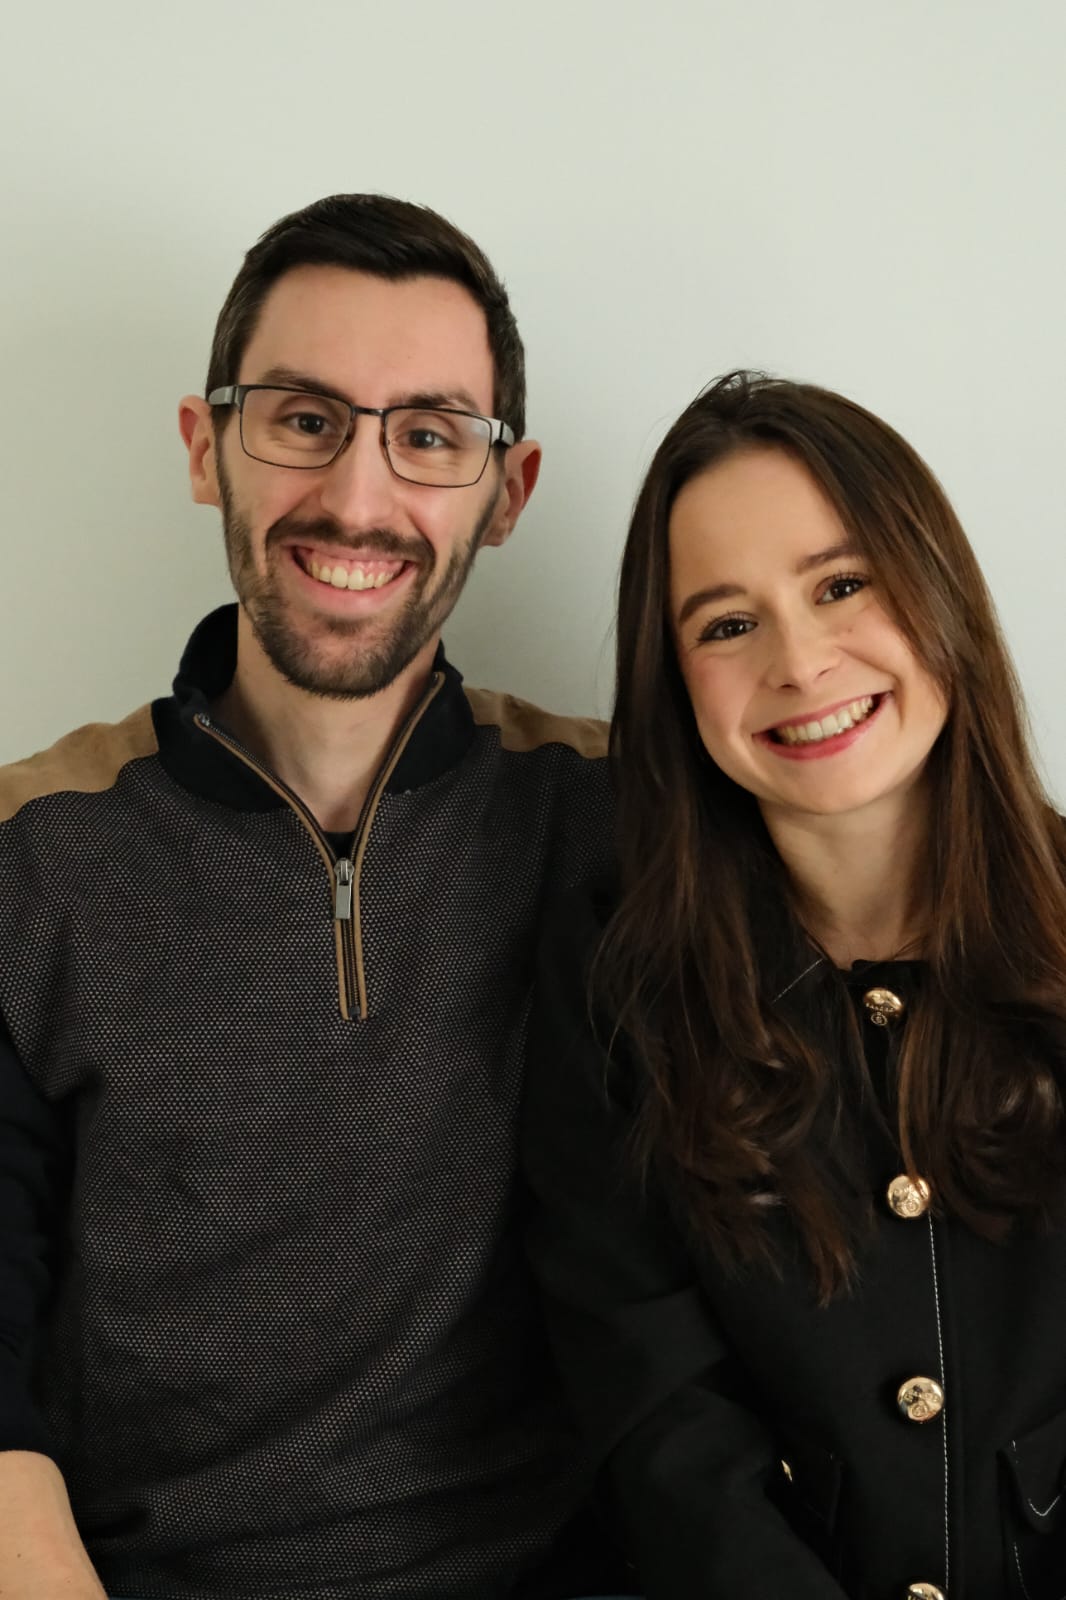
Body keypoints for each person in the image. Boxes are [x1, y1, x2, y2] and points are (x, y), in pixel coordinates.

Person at [0, 195, 625, 1600]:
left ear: (506, 489)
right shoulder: (29, 852)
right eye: (301, 417)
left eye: (427, 434)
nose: (356, 498)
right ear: (203, 447)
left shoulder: (612, 817)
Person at [522, 371, 1066, 1599]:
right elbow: (655, 1416)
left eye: (839, 584)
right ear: (672, 683)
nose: (800, 659)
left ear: (935, 589)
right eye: (725, 623)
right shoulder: (614, 983)